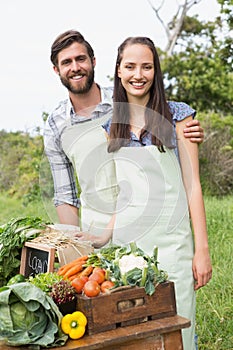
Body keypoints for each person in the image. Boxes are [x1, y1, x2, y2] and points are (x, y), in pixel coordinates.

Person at [77, 36, 212, 350]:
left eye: (147, 66)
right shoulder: (112, 126)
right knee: (135, 337)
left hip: (173, 248)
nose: (139, 74)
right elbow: (126, 196)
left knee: (177, 332)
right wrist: (101, 237)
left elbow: (193, 187)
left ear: (156, 71)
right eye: (131, 66)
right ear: (119, 72)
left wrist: (201, 250)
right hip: (129, 251)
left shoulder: (179, 117)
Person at [44, 29, 205, 237]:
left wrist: (188, 133)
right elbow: (65, 195)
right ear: (56, 70)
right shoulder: (56, 125)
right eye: (66, 62)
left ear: (93, 61)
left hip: (147, 225)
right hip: (96, 233)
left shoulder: (127, 98)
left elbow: (166, 120)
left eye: (81, 59)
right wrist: (76, 246)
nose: (75, 68)